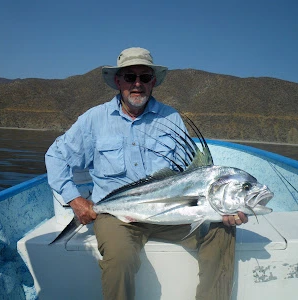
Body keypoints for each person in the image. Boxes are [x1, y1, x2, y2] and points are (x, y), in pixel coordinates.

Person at [45, 47, 248, 300]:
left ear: (153, 82)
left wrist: (222, 207)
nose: (137, 84)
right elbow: (55, 156)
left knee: (222, 230)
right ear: (118, 82)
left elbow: (187, 175)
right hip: (117, 215)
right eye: (130, 77)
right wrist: (75, 200)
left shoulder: (170, 118)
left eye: (144, 77)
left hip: (170, 212)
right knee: (120, 257)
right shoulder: (94, 120)